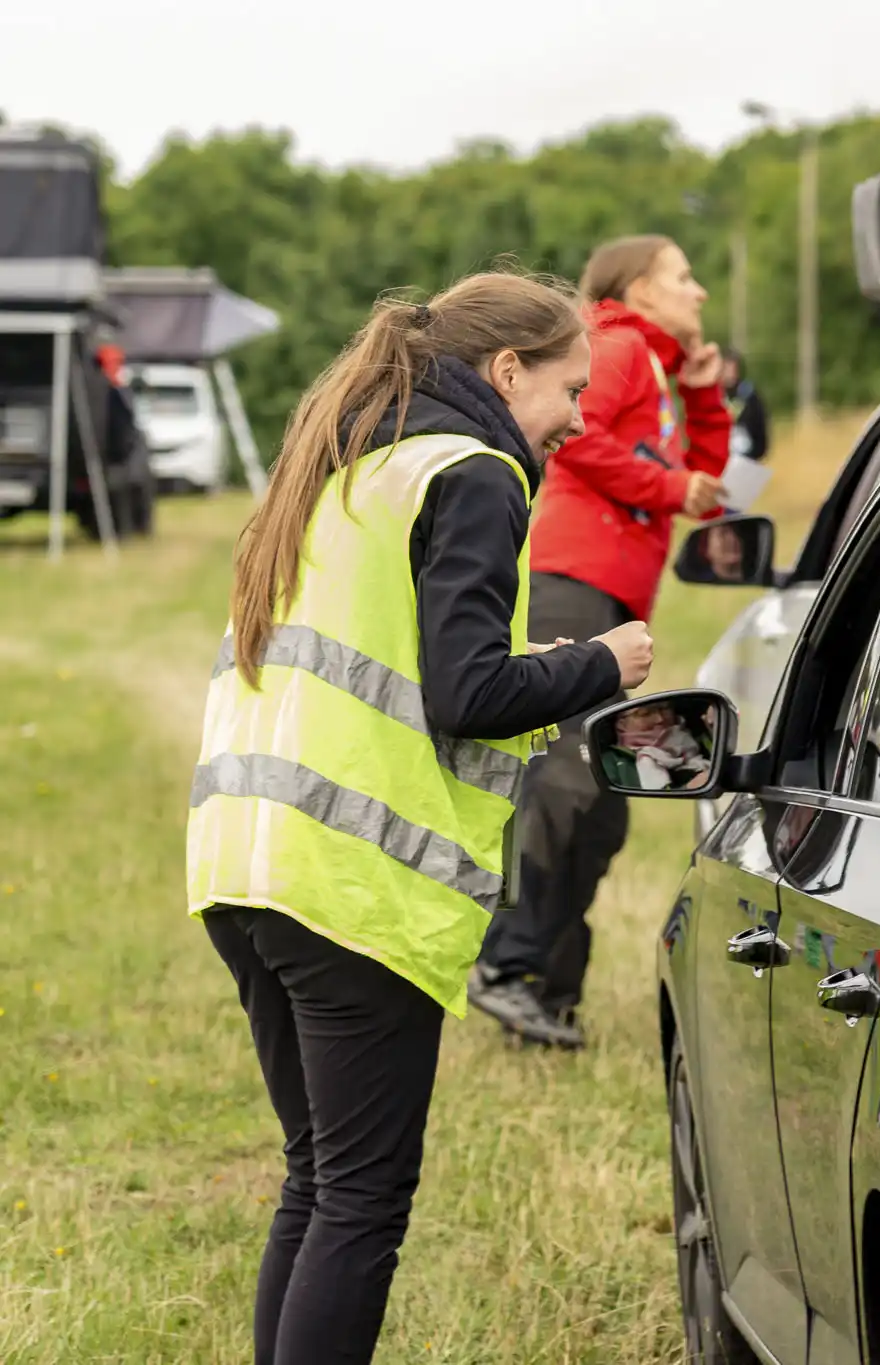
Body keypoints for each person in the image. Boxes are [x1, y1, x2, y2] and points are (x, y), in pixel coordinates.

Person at [186, 270, 657, 1365]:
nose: (579, 418)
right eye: (569, 389)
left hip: (246, 865)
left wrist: (528, 670)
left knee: (318, 1177)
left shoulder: (350, 460)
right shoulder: (476, 471)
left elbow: (417, 671)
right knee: (361, 1199)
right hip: (347, 883)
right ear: (506, 372)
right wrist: (598, 663)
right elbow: (466, 698)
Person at [469, 235, 731, 1046]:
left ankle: (546, 993)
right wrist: (667, 483)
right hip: (571, 584)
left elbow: (706, 490)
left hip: (613, 596)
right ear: (641, 287)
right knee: (568, 782)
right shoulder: (614, 346)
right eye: (686, 278)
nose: (701, 295)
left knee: (606, 801)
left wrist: (706, 397)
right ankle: (505, 965)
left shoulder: (654, 367)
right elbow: (574, 435)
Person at [724, 349, 770, 463]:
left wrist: (755, 455)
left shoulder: (749, 396)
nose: (730, 373)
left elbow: (761, 429)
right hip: (720, 461)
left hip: (746, 459)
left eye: (733, 368)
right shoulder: (712, 396)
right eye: (726, 368)